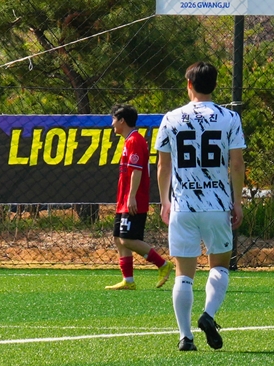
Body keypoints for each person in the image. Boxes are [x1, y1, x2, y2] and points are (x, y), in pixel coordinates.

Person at [157, 62, 247, 351]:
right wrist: (237, 201)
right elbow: (236, 164)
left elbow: (163, 166)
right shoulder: (230, 118)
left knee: (184, 273)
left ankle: (185, 337)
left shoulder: (171, 118)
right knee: (219, 266)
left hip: (183, 206)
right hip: (217, 205)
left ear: (189, 84)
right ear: (215, 85)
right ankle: (208, 314)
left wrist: (165, 201)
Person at [105, 104, 170, 291]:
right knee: (118, 238)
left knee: (128, 239)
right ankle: (128, 280)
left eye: (114, 119)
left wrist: (132, 196)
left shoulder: (135, 140)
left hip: (133, 200)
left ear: (122, 120)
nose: (112, 124)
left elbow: (137, 171)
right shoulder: (129, 140)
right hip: (124, 199)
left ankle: (163, 265)